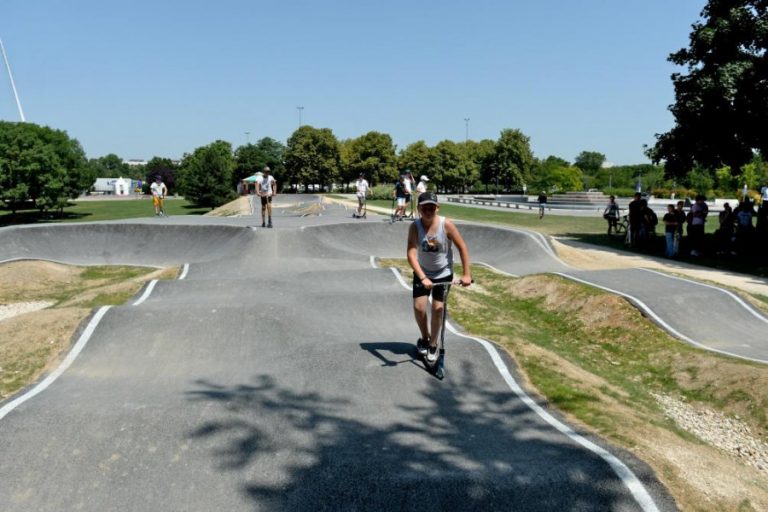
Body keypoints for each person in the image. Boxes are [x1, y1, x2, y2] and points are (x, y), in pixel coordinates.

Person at [407, 192, 472, 363]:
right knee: (419, 308)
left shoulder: (446, 225)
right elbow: (411, 254)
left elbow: (462, 247)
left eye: (432, 207)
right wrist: (422, 277)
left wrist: (466, 274)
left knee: (437, 308)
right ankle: (425, 338)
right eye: (424, 208)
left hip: (443, 273)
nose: (428, 211)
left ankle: (434, 344)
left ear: (437, 208)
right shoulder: (415, 227)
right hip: (423, 273)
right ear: (418, 209)